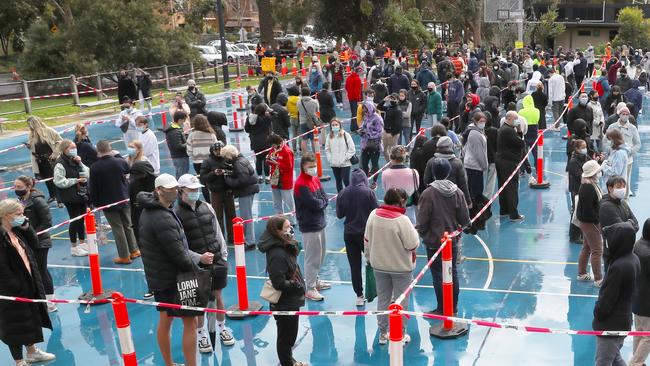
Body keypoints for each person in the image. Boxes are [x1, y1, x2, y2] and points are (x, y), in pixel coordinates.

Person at [138, 174, 214, 366]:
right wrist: (197, 269)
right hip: (174, 278)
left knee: (166, 320)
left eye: (175, 188)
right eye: (170, 188)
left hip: (160, 278)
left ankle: (169, 363)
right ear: (158, 190)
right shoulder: (162, 216)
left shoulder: (150, 210)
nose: (174, 191)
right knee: (191, 322)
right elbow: (178, 254)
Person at [174, 174, 234, 351]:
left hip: (216, 262)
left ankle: (222, 328)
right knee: (200, 302)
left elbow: (217, 232)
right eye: (191, 190)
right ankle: (201, 334)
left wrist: (223, 255)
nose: (195, 193)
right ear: (181, 191)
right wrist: (198, 258)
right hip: (196, 266)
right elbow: (178, 245)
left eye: (197, 190)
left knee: (217, 296)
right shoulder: (176, 214)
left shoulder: (207, 207)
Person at [0, 199, 56, 366]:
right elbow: (1, 267)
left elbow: (34, 244)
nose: (22, 217)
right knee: (13, 323)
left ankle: (32, 352)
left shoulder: (16, 230)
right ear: (5, 215)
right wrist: (14, 286)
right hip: (11, 289)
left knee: (30, 318)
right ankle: (19, 360)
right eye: (18, 214)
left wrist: (27, 228)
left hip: (28, 281)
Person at [364, 188, 419, 345]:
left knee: (383, 299)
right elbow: (412, 244)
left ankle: (383, 333)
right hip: (401, 268)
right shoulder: (402, 220)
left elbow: (366, 241)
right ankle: (400, 334)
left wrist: (369, 259)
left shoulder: (373, 215)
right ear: (400, 201)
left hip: (379, 266)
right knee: (401, 301)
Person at [417, 158, 470, 314]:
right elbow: (465, 220)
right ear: (448, 172)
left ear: (433, 173)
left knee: (438, 276)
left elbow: (422, 220)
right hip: (452, 242)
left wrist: (425, 234)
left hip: (433, 242)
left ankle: (442, 308)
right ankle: (452, 307)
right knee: (452, 273)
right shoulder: (457, 192)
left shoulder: (428, 194)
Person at [257, 217, 307, 366]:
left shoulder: (284, 245)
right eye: (287, 226)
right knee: (286, 338)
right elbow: (278, 283)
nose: (291, 228)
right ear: (278, 231)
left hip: (291, 301)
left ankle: (289, 360)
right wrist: (297, 286)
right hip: (285, 304)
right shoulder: (277, 254)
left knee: (289, 336)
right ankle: (287, 363)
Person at [593, 221, 640, 366]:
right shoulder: (633, 259)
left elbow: (607, 300)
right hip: (623, 321)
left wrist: (597, 313)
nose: (606, 243)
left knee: (603, 361)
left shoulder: (619, 267)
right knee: (615, 358)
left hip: (611, 325)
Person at [88, 140, 139, 264]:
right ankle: (134, 250)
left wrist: (95, 203)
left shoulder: (94, 167)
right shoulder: (119, 162)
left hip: (107, 201)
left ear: (98, 151)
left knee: (117, 228)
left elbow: (93, 188)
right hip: (123, 197)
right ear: (110, 148)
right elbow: (128, 170)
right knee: (127, 224)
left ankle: (124, 256)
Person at [13, 176, 56, 312]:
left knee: (41, 272)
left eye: (19, 187)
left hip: (40, 242)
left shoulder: (38, 201)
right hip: (28, 242)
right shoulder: (20, 201)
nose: (16, 189)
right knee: (39, 270)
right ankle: (44, 299)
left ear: (29, 187)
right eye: (15, 186)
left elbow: (47, 223)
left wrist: (32, 234)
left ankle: (51, 303)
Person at [337, 169, 378, 306]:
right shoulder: (369, 193)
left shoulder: (343, 193)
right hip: (366, 235)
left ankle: (359, 296)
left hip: (349, 234)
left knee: (354, 266)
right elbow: (376, 211)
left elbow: (339, 215)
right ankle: (379, 291)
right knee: (374, 263)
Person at [294, 153, 330, 301]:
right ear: (303, 167)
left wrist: (321, 202)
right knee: (312, 257)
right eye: (310, 167)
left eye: (314, 166)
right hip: (309, 225)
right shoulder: (301, 184)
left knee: (321, 255)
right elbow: (314, 204)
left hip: (320, 223)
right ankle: (310, 288)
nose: (313, 169)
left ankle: (315, 280)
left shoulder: (315, 179)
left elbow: (324, 198)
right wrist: (321, 203)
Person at [53, 139, 89, 257]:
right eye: (71, 148)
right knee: (74, 220)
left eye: (75, 147)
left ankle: (82, 243)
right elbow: (59, 181)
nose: (74, 150)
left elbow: (87, 172)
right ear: (64, 150)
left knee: (81, 219)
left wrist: (80, 163)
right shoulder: (60, 164)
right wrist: (75, 181)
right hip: (70, 196)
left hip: (81, 194)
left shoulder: (75, 160)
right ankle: (74, 247)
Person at [221, 145, 259, 250]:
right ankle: (249, 239)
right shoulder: (241, 160)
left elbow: (243, 180)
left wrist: (228, 180)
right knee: (247, 216)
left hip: (245, 192)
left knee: (246, 217)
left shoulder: (238, 163)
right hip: (249, 190)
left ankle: (250, 241)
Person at [575, 160, 605, 286]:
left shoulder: (589, 184)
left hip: (586, 222)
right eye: (597, 171)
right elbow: (588, 209)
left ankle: (582, 274)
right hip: (589, 223)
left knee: (587, 248)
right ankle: (598, 279)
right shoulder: (588, 188)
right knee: (597, 250)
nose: (599, 173)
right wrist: (597, 221)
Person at [200, 142, 236, 244]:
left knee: (231, 215)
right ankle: (221, 239)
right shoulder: (207, 162)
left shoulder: (227, 159)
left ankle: (232, 237)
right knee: (218, 216)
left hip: (228, 191)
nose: (219, 152)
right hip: (216, 192)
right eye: (216, 151)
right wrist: (214, 173)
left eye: (220, 150)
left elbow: (234, 172)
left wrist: (227, 172)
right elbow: (203, 178)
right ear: (212, 151)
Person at [604, 106, 641, 198]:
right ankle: (611, 197)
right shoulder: (612, 126)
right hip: (613, 159)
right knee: (611, 179)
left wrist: (629, 152)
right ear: (619, 115)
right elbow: (605, 141)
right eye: (623, 114)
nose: (625, 116)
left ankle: (625, 199)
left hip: (627, 160)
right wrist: (610, 150)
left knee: (625, 180)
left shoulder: (632, 128)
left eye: (627, 114)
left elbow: (638, 144)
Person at [496, 111, 526, 222]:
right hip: (508, 163)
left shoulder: (503, 128)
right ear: (508, 118)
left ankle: (504, 211)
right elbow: (521, 144)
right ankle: (514, 214)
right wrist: (519, 131)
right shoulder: (508, 131)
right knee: (512, 188)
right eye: (515, 118)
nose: (517, 120)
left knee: (503, 187)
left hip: (502, 161)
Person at [26, 116, 62, 204]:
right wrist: (29, 146)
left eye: (32, 124)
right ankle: (53, 196)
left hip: (51, 159)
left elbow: (60, 141)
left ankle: (60, 197)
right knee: (47, 180)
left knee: (56, 178)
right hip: (40, 161)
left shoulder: (49, 130)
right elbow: (33, 150)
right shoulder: (31, 134)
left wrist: (55, 153)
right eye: (29, 125)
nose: (31, 127)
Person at [631, 218, 650, 366]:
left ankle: (636, 360)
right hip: (647, 302)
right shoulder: (648, 254)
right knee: (648, 336)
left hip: (637, 298)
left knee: (639, 332)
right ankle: (636, 362)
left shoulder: (638, 244)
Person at [187, 114, 217, 201]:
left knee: (203, 183)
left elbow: (189, 150)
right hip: (210, 161)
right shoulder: (211, 134)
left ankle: (208, 201)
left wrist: (194, 156)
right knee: (213, 181)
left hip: (197, 163)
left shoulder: (191, 135)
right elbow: (216, 148)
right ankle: (215, 200)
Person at [567, 139, 591, 244]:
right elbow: (579, 175)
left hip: (584, 189)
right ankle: (573, 236)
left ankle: (581, 233)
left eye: (585, 147)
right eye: (583, 147)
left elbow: (592, 164)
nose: (585, 149)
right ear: (576, 149)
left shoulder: (585, 157)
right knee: (576, 212)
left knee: (581, 211)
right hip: (576, 190)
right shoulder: (573, 162)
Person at [266, 135, 295, 220]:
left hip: (284, 180)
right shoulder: (273, 150)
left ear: (278, 143)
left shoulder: (287, 151)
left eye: (273, 144)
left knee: (288, 201)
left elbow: (289, 167)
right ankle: (280, 218)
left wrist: (277, 163)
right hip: (275, 179)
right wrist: (269, 161)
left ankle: (292, 220)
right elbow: (270, 159)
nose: (272, 147)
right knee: (277, 201)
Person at [462, 113, 488, 204]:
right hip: (475, 166)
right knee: (477, 192)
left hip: (472, 165)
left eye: (484, 121)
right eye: (481, 121)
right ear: (476, 121)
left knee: (472, 190)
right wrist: (485, 166)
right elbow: (479, 153)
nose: (483, 123)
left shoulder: (477, 131)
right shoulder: (475, 134)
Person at [128, 160, 155, 245]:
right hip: (138, 218)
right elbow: (132, 204)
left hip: (155, 218)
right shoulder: (132, 184)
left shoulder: (157, 182)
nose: (139, 178)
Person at [325, 118, 356, 192]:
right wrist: (330, 159)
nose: (335, 126)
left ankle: (349, 197)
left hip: (345, 163)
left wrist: (345, 158)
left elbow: (352, 149)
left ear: (340, 125)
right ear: (331, 127)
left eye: (336, 124)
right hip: (334, 164)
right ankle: (340, 196)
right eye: (333, 125)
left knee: (346, 181)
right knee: (338, 181)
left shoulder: (346, 135)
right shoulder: (329, 136)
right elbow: (327, 149)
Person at [245, 103, 273, 183]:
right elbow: (275, 115)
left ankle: (260, 177)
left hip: (255, 141)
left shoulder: (249, 118)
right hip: (266, 141)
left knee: (258, 159)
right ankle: (267, 177)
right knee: (266, 159)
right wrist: (270, 110)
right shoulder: (267, 118)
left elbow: (247, 129)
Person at [358, 101, 384, 189]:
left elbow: (380, 133)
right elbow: (363, 126)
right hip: (365, 145)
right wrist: (361, 130)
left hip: (375, 145)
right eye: (364, 110)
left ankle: (374, 182)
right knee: (364, 164)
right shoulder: (366, 117)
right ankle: (366, 180)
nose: (365, 112)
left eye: (366, 110)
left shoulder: (377, 118)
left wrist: (369, 134)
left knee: (374, 163)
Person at [165, 111, 190, 178]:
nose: (184, 123)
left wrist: (186, 137)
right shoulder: (175, 131)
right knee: (182, 176)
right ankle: (180, 188)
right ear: (179, 120)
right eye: (183, 121)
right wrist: (189, 143)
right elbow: (178, 146)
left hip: (179, 156)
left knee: (181, 174)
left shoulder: (176, 129)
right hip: (180, 157)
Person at [378, 94, 402, 162]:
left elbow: (399, 125)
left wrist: (392, 133)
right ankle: (389, 163)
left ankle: (394, 163)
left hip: (393, 133)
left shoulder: (398, 110)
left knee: (393, 150)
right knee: (384, 149)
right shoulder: (389, 107)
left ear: (397, 100)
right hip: (386, 131)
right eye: (391, 99)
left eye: (393, 99)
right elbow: (379, 107)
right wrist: (384, 100)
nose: (391, 100)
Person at [297, 86, 320, 154]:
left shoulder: (298, 102)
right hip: (312, 122)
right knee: (313, 139)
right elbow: (317, 111)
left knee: (304, 140)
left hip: (302, 122)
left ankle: (304, 155)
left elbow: (298, 110)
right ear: (309, 92)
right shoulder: (314, 102)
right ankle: (315, 153)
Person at [346, 67, 363, 132]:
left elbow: (346, 87)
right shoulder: (357, 79)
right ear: (358, 72)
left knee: (353, 113)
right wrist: (358, 100)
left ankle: (353, 127)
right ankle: (355, 127)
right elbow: (357, 91)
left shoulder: (348, 78)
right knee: (356, 113)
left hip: (350, 98)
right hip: (355, 99)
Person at [286, 86, 301, 150]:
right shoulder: (299, 99)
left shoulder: (288, 100)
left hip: (292, 117)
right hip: (299, 118)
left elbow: (287, 109)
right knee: (300, 134)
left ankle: (294, 148)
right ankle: (300, 147)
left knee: (294, 134)